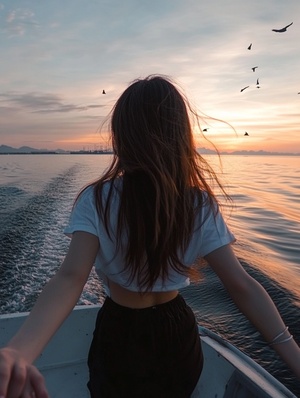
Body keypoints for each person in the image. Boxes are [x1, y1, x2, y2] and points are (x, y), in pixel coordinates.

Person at [0, 75, 299, 398]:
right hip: (177, 328)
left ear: (122, 135)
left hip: (121, 329)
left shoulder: (98, 199)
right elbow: (241, 284)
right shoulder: (197, 203)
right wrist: (295, 357)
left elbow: (71, 278)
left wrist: (20, 350)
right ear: (180, 134)